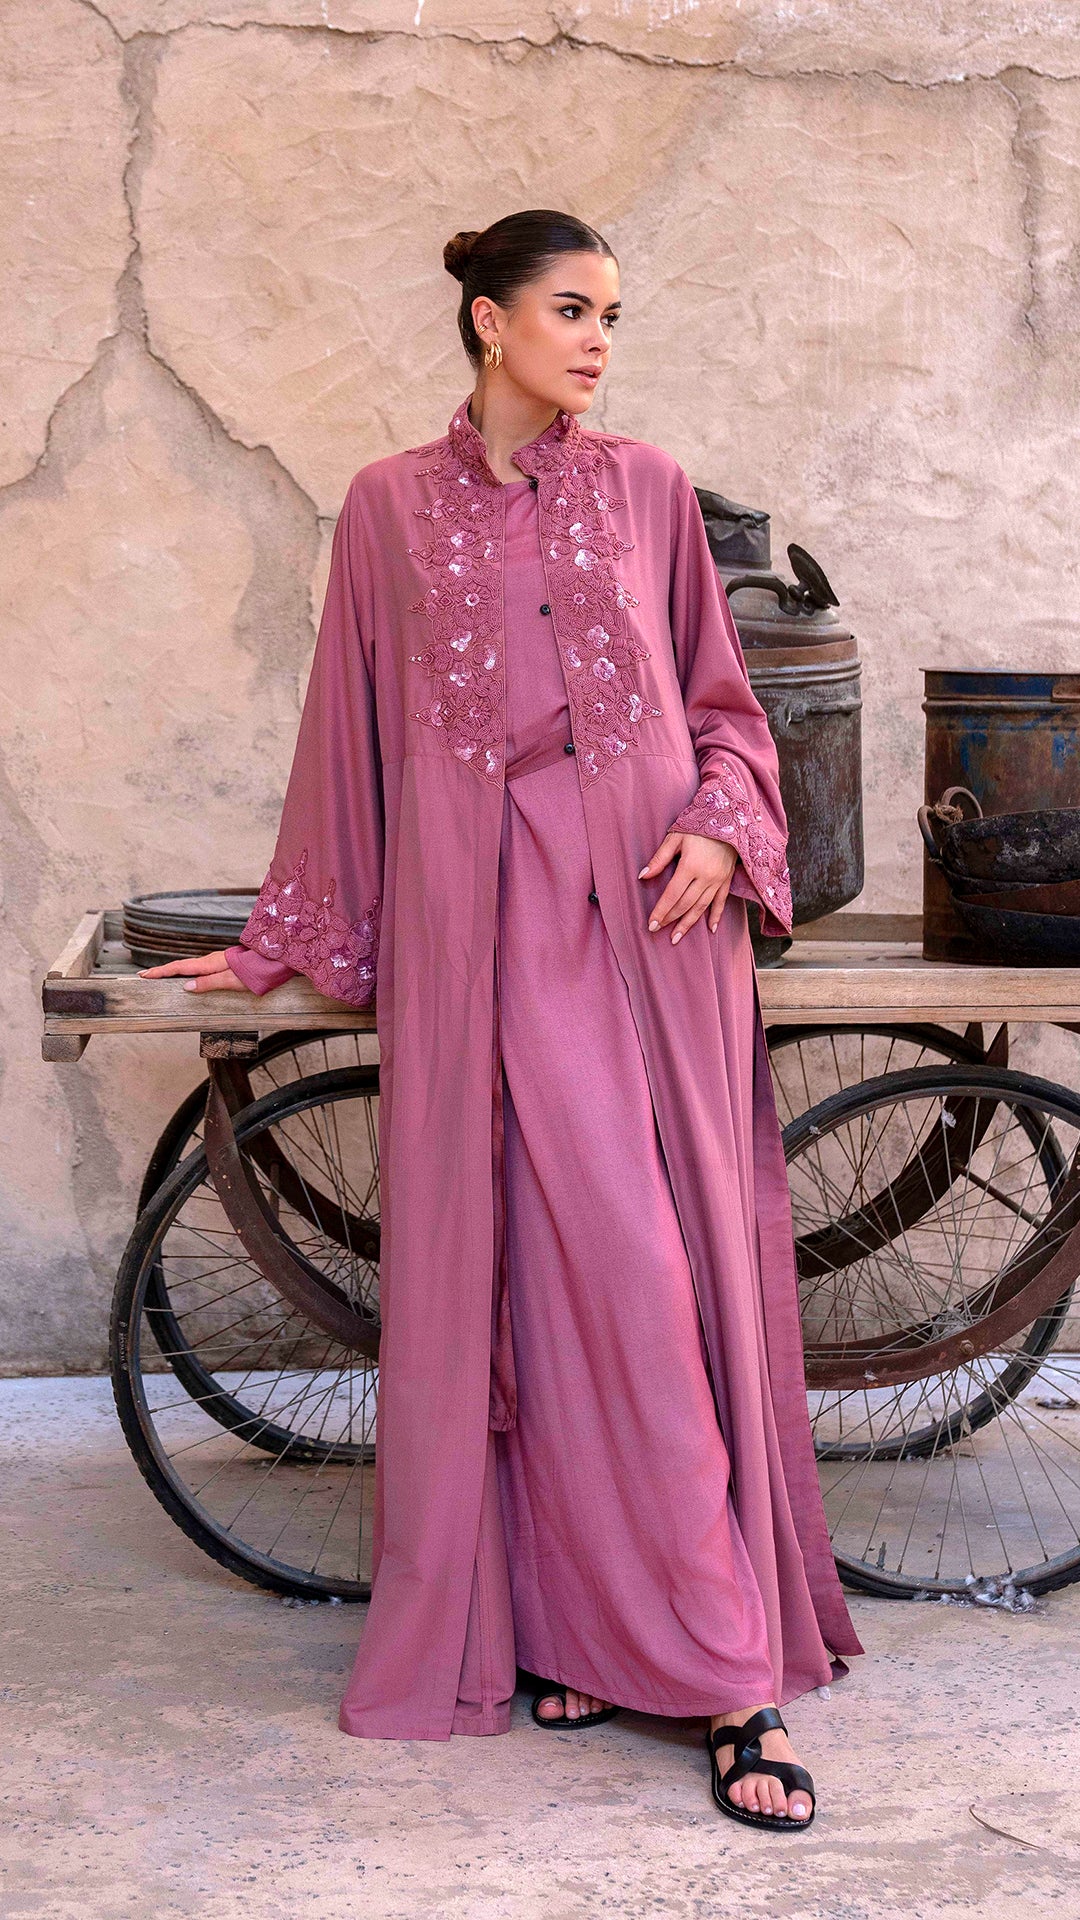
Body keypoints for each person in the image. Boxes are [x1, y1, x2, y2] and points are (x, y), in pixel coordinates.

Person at [141, 208, 863, 1830]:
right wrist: (280, 938)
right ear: (489, 320)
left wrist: (720, 824)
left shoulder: (653, 488)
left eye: (612, 315)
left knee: (654, 1276)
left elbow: (724, 708)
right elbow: (348, 734)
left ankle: (724, 1673)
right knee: (541, 1278)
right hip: (485, 925)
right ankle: (601, 1634)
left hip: (656, 923)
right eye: (570, 310)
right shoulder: (387, 507)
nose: (598, 340)